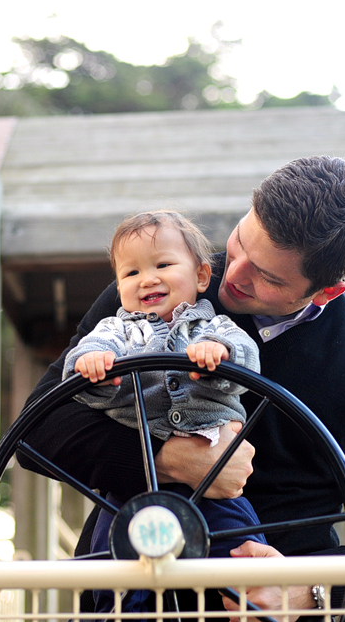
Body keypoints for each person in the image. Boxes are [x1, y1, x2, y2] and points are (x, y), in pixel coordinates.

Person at [21, 155, 345, 617]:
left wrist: (308, 590)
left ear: (327, 292)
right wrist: (168, 460)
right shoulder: (162, 285)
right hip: (134, 580)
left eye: (268, 277)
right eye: (240, 243)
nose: (231, 276)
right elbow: (36, 431)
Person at [63, 210, 265, 614]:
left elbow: (247, 362)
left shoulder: (215, 327)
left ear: (202, 277)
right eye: (131, 273)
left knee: (248, 554)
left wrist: (219, 355)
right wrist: (93, 366)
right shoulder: (114, 332)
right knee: (114, 562)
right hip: (131, 487)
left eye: (163, 265)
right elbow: (76, 371)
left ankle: (253, 603)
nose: (147, 279)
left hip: (213, 478)